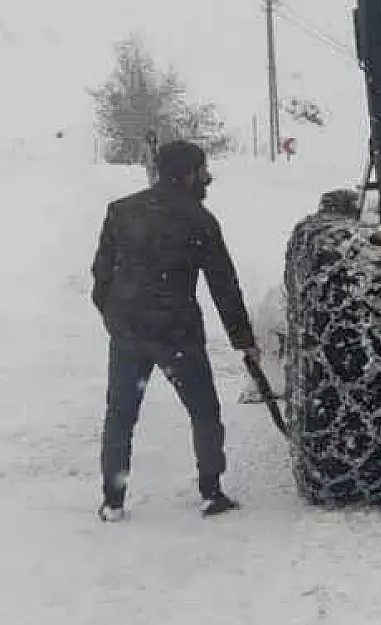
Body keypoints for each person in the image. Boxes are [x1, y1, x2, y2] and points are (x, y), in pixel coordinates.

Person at [91, 140, 259, 522]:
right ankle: (211, 491)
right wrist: (244, 341)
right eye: (202, 171)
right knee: (203, 411)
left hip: (130, 333)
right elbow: (223, 286)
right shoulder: (198, 219)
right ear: (186, 174)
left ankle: (113, 500)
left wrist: (115, 318)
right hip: (177, 332)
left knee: (120, 415)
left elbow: (101, 276)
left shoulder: (121, 211)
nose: (208, 178)